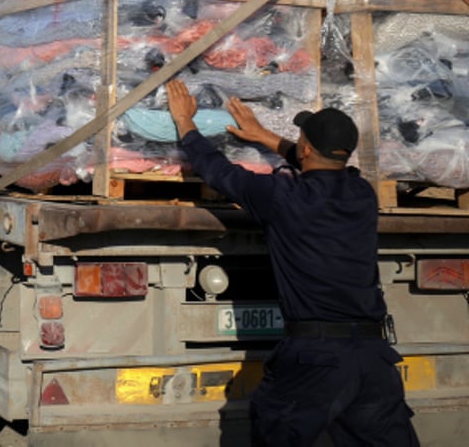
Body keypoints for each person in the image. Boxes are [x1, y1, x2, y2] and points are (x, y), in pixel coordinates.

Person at [164, 80, 419, 446]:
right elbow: (317, 164)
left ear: (306, 148)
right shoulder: (362, 195)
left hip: (316, 359)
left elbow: (219, 172)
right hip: (373, 358)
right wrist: (265, 137)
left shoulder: (282, 196)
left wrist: (185, 122)